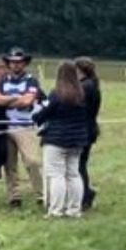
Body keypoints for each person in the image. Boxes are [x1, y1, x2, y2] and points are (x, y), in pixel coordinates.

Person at [34, 61, 91, 217]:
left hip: (56, 139)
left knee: (56, 175)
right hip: (77, 139)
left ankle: (56, 210)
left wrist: (35, 117)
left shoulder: (57, 94)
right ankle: (74, 210)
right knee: (73, 174)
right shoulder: (81, 94)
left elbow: (45, 113)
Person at [0, 47, 43, 208]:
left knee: (32, 161)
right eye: (12, 62)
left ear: (24, 63)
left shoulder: (31, 80)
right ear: (8, 63)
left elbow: (27, 101)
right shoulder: (2, 80)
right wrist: (15, 98)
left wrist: (5, 99)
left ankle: (42, 193)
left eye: (19, 62)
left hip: (25, 126)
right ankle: (14, 196)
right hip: (5, 126)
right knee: (9, 163)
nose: (15, 65)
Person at [74, 57, 101, 209]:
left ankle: (85, 195)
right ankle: (85, 193)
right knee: (81, 164)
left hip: (83, 129)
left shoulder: (85, 87)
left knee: (79, 165)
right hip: (89, 129)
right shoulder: (92, 85)